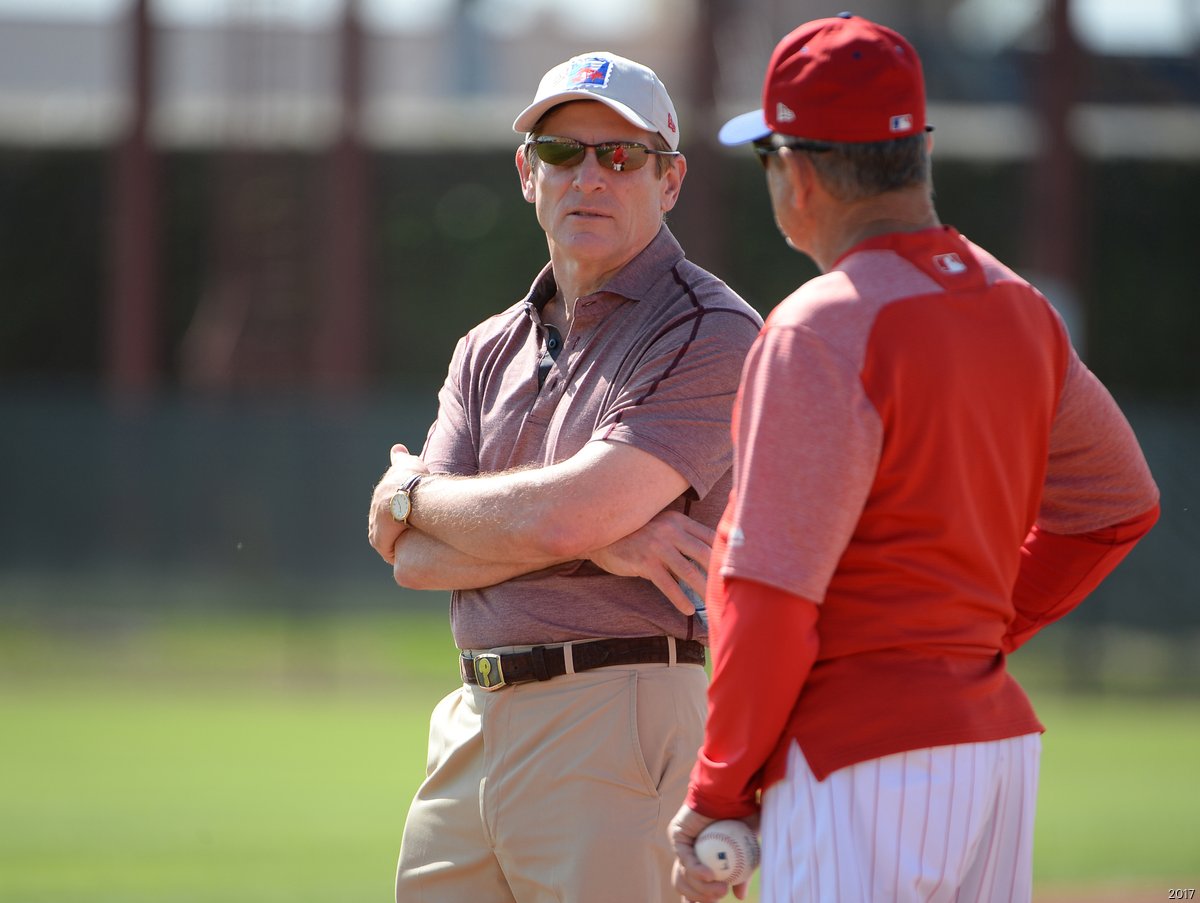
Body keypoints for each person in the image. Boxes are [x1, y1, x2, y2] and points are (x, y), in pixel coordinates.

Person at [668, 14, 1160, 903]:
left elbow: (766, 593)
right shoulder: (1020, 307)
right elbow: (1118, 504)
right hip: (994, 754)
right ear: (917, 155)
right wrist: (965, 634)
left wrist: (717, 789)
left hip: (861, 762)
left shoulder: (819, 326)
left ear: (801, 173)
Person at [366, 51, 763, 903]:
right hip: (471, 719)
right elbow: (413, 561)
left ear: (671, 180)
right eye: (561, 152)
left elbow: (551, 521)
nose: (588, 175)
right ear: (526, 172)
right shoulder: (487, 346)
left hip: (620, 711)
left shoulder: (710, 328)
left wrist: (408, 495)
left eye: (620, 155)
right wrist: (600, 539)